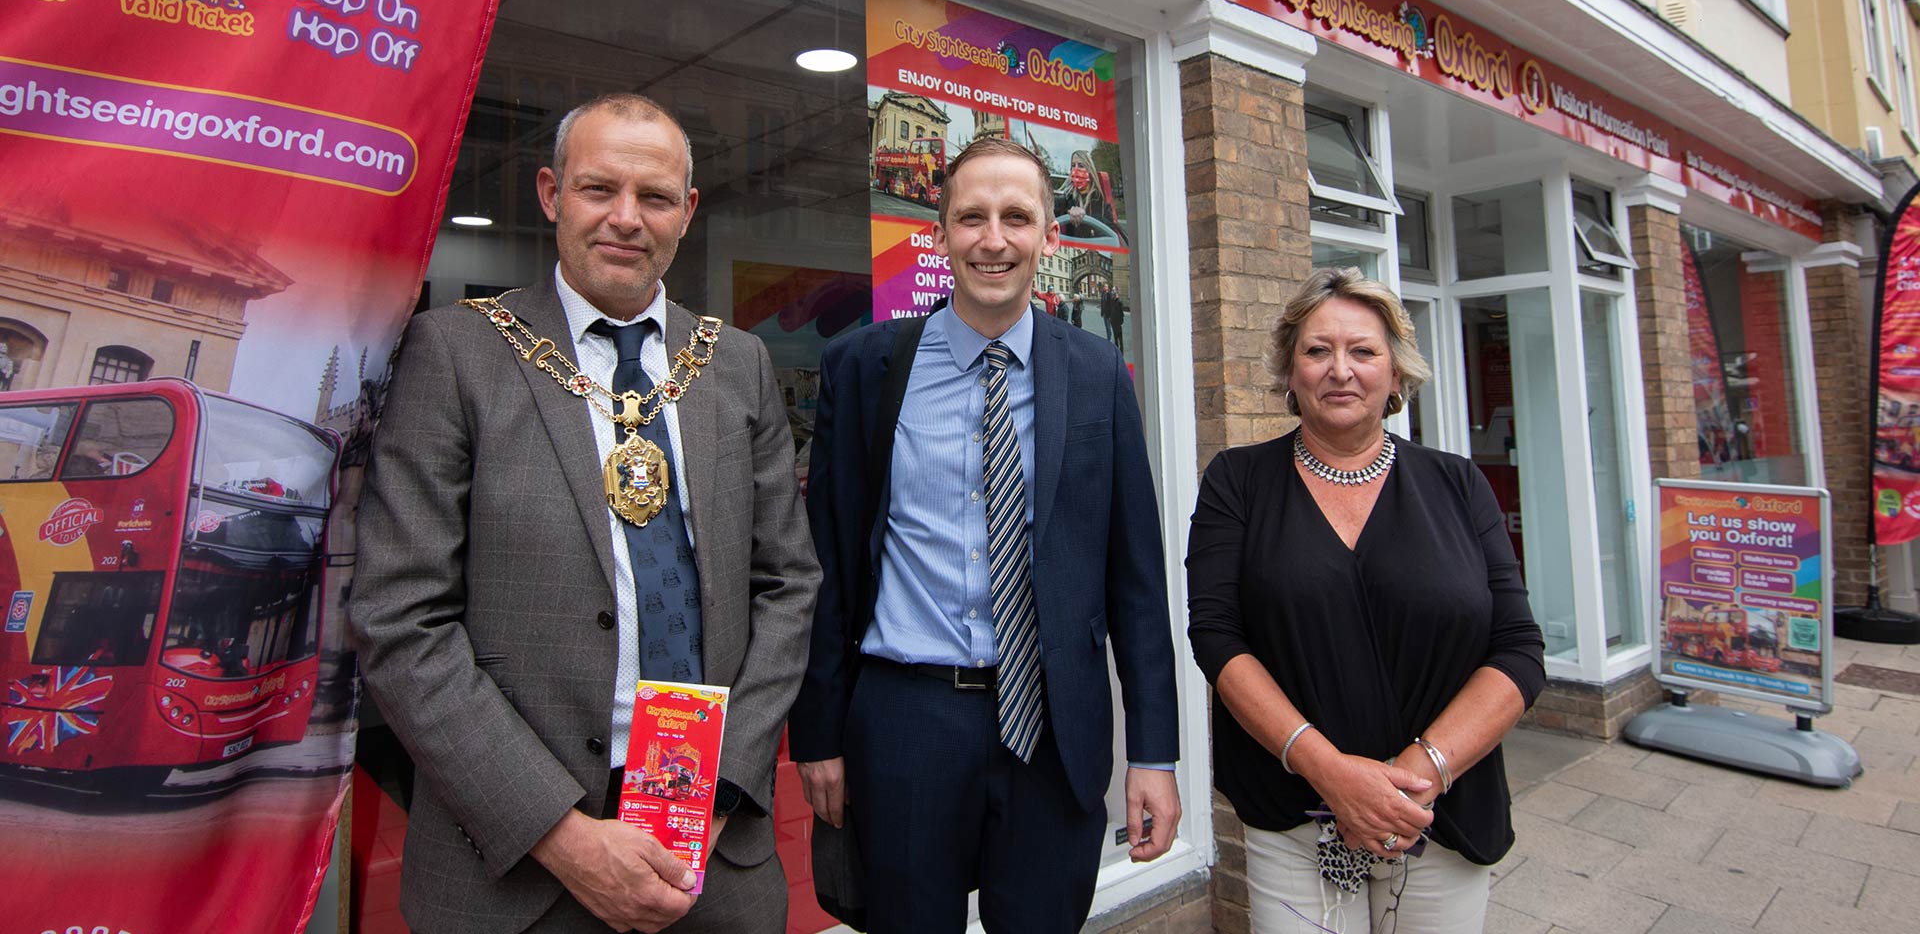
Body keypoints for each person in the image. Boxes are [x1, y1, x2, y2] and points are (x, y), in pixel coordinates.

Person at [350, 93, 820, 934]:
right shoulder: (457, 353)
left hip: (712, 851)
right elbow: (401, 619)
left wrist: (724, 787)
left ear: (689, 211)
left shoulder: (736, 362)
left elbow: (787, 584)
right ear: (550, 192)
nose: (626, 220)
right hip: (515, 871)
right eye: (599, 189)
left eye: (656, 197)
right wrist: (560, 836)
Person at [792, 137, 1182, 932]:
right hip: (907, 723)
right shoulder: (864, 369)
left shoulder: (1099, 374)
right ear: (939, 235)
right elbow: (825, 563)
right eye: (971, 217)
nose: (993, 239)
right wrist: (818, 732)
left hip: (1055, 728)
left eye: (1016, 217)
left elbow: (1136, 584)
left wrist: (1154, 753)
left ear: (1049, 235)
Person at [1185, 267, 1544, 933]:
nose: (1340, 370)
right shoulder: (1237, 482)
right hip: (1295, 818)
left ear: (1397, 374)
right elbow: (1216, 635)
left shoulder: (1459, 485)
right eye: (1318, 351)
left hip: (1437, 815)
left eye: (1363, 351)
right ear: (1289, 374)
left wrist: (1415, 775)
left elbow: (1519, 650)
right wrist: (1333, 775)